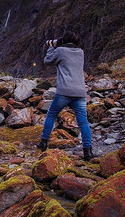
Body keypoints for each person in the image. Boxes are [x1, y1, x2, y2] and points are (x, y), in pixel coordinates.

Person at [37, 30, 94, 161]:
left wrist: (51, 46)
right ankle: (88, 152)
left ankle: (43, 142)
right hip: (80, 92)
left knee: (51, 114)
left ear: (64, 40)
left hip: (64, 91)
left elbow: (47, 61)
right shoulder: (81, 52)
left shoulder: (61, 51)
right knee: (83, 122)